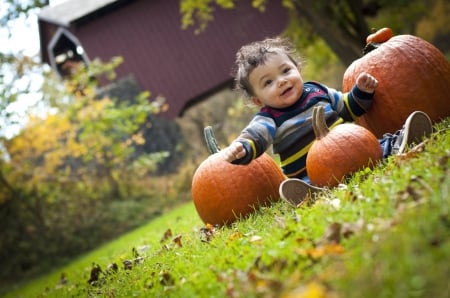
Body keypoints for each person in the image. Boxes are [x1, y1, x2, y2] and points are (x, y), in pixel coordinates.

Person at [220, 37, 433, 207]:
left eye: (286, 71)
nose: (282, 80)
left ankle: (401, 140)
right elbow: (255, 136)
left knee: (377, 146)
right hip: (312, 172)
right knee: (307, 182)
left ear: (298, 69)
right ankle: (310, 194)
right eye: (268, 82)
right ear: (258, 100)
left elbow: (348, 108)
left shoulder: (318, 91)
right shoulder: (268, 118)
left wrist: (361, 92)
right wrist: (242, 147)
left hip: (352, 151)